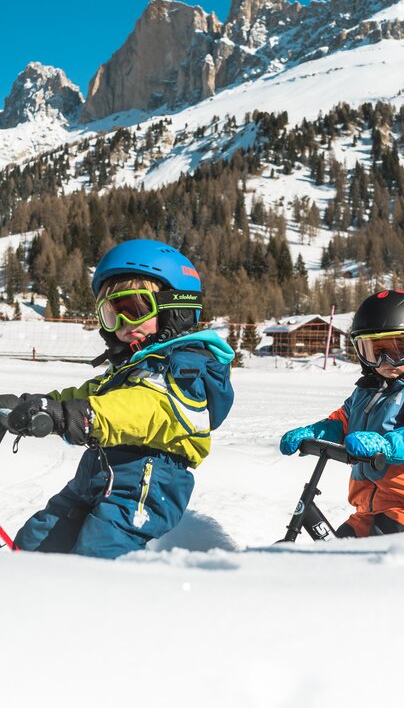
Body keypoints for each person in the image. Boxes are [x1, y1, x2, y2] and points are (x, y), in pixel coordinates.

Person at [0, 239, 234, 558]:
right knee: (38, 540)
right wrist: (35, 403)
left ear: (174, 307)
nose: (124, 325)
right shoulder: (132, 367)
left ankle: (102, 603)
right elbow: (88, 394)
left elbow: (146, 407)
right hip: (96, 474)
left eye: (134, 309)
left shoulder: (186, 369)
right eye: (112, 315)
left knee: (97, 551)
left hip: (146, 484)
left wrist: (73, 416)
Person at [279, 290, 404, 538]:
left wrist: (387, 445)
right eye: (374, 351)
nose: (385, 361)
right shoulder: (365, 392)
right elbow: (342, 422)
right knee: (335, 552)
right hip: (367, 508)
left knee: (369, 567)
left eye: (396, 351)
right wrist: (314, 433)